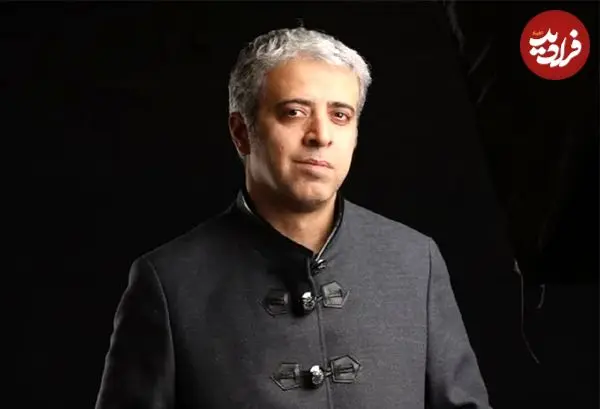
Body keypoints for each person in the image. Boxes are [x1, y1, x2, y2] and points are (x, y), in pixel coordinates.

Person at [95, 27, 492, 409]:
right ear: (241, 132)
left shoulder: (415, 261)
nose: (321, 135)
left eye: (340, 115)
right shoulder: (169, 282)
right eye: (294, 112)